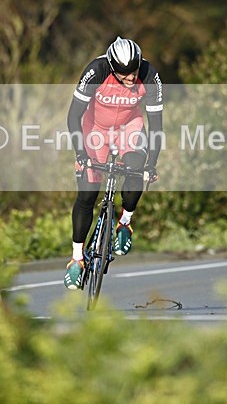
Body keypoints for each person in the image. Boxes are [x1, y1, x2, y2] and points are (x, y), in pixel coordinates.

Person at [63, 36, 163, 290]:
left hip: (130, 127)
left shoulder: (150, 75)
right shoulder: (96, 70)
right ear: (112, 66)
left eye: (134, 72)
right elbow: (73, 115)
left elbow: (156, 125)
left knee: (136, 170)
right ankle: (76, 259)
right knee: (87, 195)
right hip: (95, 129)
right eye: (124, 74)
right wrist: (80, 153)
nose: (130, 78)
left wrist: (152, 163)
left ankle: (125, 222)